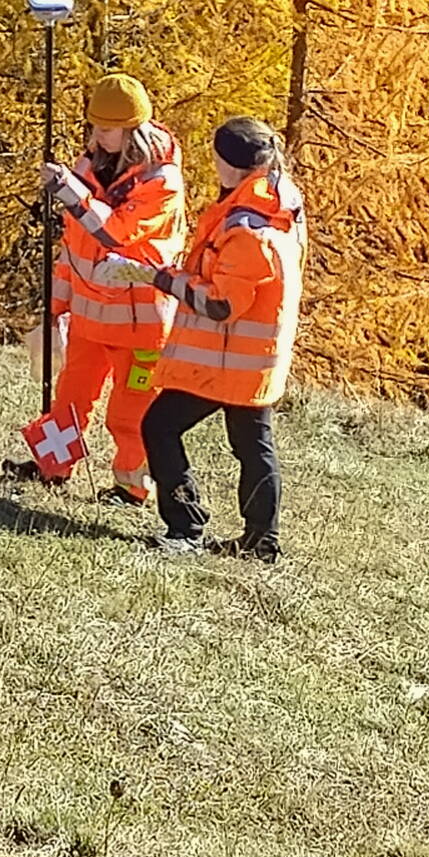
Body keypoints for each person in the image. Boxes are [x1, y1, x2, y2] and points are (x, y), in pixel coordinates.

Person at [136, 116, 306, 561]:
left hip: (228, 359)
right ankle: (261, 541)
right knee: (253, 446)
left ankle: (186, 526)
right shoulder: (280, 204)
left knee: (160, 425)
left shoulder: (248, 227)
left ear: (230, 165)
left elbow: (223, 305)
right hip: (255, 357)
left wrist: (162, 279)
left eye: (215, 160)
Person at [19, 72, 188, 504]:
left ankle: (133, 487)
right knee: (70, 397)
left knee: (130, 412)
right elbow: (73, 249)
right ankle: (51, 467)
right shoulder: (87, 167)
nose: (97, 136)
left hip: (142, 323)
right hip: (90, 317)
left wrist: (73, 195)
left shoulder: (161, 182)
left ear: (134, 130)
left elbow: (116, 234)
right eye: (93, 127)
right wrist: (55, 309)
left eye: (107, 129)